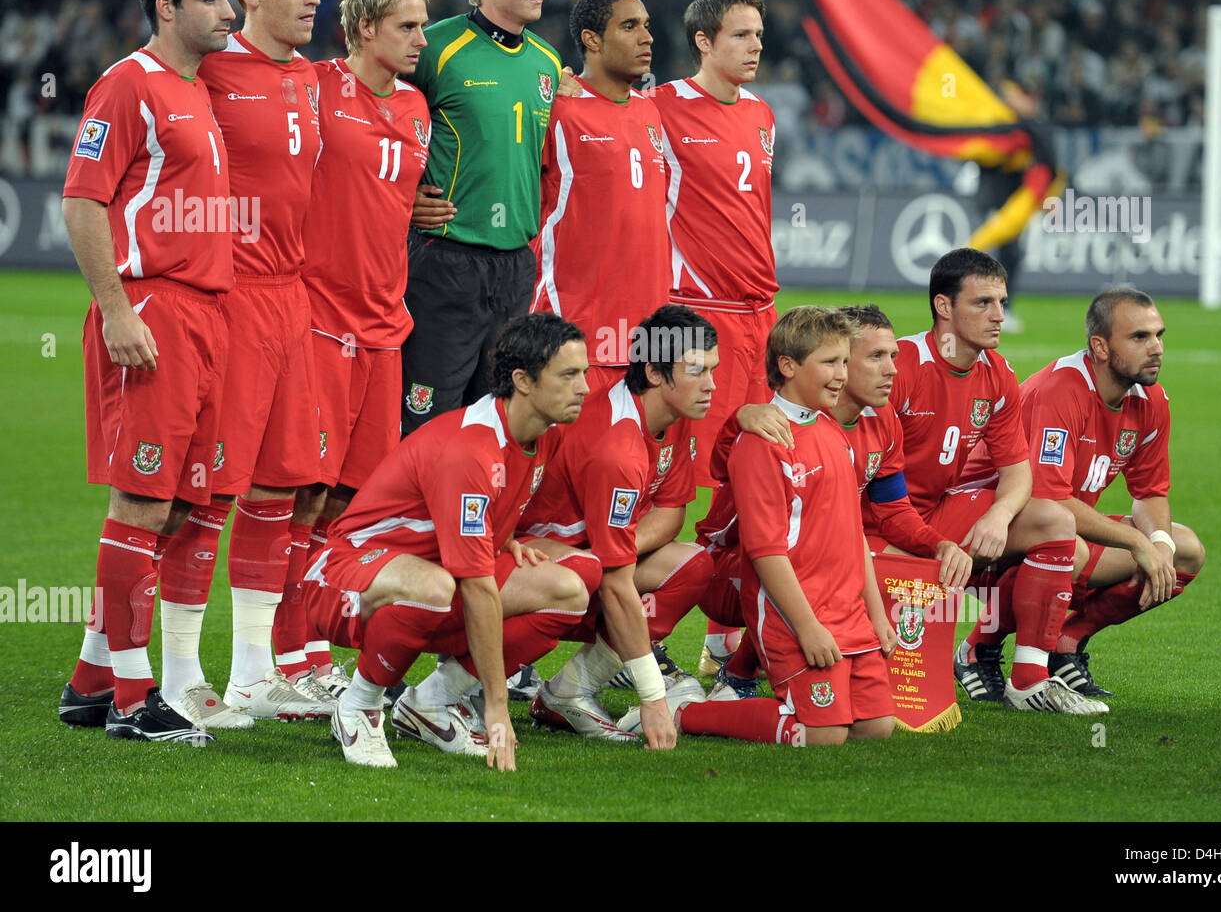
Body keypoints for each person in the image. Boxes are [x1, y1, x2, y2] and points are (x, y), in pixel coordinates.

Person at [147, 0, 331, 727]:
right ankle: (175, 673)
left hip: (296, 302)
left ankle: (255, 671)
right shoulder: (207, 71)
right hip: (232, 299)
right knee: (205, 490)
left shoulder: (316, 79)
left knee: (280, 484)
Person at [58, 0, 236, 742]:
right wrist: (117, 307)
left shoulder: (195, 90)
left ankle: (93, 679)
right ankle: (135, 697)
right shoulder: (128, 83)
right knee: (142, 501)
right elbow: (82, 201)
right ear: (166, 7)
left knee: (170, 507)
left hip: (203, 314)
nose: (226, 12)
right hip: (154, 308)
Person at [303, 313, 592, 769]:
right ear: (523, 381)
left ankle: (432, 703)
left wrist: (506, 536)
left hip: (431, 573)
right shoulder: (471, 448)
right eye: (569, 375)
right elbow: (475, 585)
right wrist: (498, 705)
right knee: (438, 587)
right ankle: (359, 705)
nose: (584, 388)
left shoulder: (545, 436)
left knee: (571, 588)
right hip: (346, 571)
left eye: (585, 373)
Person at [696, 304, 972, 698]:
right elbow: (724, 469)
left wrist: (939, 545)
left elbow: (892, 509)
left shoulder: (882, 421)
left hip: (803, 562)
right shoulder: (772, 423)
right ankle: (740, 674)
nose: (892, 369)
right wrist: (739, 418)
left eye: (893, 356)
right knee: (843, 566)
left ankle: (775, 669)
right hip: (734, 571)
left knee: (893, 560)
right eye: (875, 356)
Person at [287, 0, 435, 701]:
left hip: (385, 329)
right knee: (302, 494)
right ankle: (280, 659)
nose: (419, 39)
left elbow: (388, 198)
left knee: (352, 502)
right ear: (366, 28)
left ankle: (314, 652)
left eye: (422, 25)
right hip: (319, 320)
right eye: (407, 26)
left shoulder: (415, 106)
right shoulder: (312, 88)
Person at [491, 304, 721, 748]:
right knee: (590, 576)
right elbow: (613, 580)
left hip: (587, 556)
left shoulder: (673, 414)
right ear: (655, 373)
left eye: (712, 369)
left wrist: (613, 549)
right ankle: (443, 696)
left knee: (692, 566)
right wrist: (653, 697)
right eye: (697, 371)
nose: (712, 385)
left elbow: (672, 514)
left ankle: (569, 691)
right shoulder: (616, 444)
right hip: (525, 557)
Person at [957, 289, 1203, 697]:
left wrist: (1157, 543)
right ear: (1100, 347)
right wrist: (1136, 544)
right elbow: (1049, 499)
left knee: (1185, 548)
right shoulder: (1060, 391)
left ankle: (1067, 645)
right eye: (1140, 338)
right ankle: (978, 648)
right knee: (1072, 548)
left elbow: (1150, 491)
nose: (1157, 348)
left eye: (1159, 335)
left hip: (1055, 530)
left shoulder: (1152, 400)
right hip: (983, 535)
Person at [890, 248, 1106, 713]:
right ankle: (740, 660)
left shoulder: (997, 372)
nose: (999, 316)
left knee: (1053, 521)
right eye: (983, 303)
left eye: (1002, 303)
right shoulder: (898, 364)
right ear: (943, 307)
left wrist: (998, 516)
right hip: (880, 523)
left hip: (939, 513)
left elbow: (1018, 474)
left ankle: (1029, 681)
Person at [671, 307, 896, 745]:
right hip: (794, 615)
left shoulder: (833, 431)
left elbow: (855, 536)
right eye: (829, 362)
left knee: (876, 729)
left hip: (849, 614)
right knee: (823, 735)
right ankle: (686, 712)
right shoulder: (760, 442)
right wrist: (807, 627)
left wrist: (876, 613)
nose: (840, 374)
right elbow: (766, 551)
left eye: (845, 362)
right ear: (788, 365)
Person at [652, 0, 778, 674]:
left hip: (760, 319)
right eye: (740, 34)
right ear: (703, 40)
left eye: (759, 34)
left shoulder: (762, 114)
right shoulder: (662, 107)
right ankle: (642, 636)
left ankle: (723, 631)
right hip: (694, 323)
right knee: (670, 484)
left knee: (743, 480)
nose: (755, 45)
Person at [401, 0, 562, 432]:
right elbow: (375, 123)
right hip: (445, 260)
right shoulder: (433, 48)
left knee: (497, 420)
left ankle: (475, 515)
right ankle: (408, 516)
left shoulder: (549, 63)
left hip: (516, 269)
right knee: (425, 421)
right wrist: (404, 198)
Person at [529, 0, 670, 396]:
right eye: (629, 26)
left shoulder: (649, 110)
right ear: (591, 40)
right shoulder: (556, 109)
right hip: (576, 333)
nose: (646, 37)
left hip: (646, 335)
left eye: (646, 26)